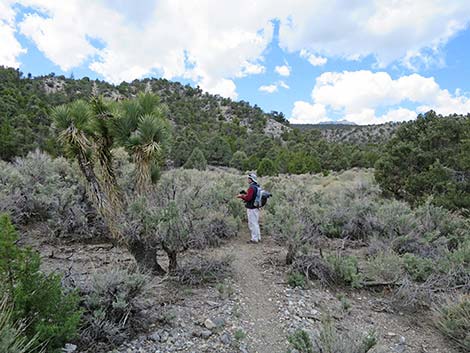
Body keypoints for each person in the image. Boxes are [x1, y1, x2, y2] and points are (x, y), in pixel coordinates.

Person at [237, 173, 261, 243]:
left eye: (248, 178)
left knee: (252, 223)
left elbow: (248, 198)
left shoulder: (251, 187)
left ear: (251, 179)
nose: (247, 180)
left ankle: (254, 239)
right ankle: (258, 237)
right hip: (256, 207)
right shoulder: (257, 186)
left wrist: (241, 196)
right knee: (255, 223)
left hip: (251, 207)